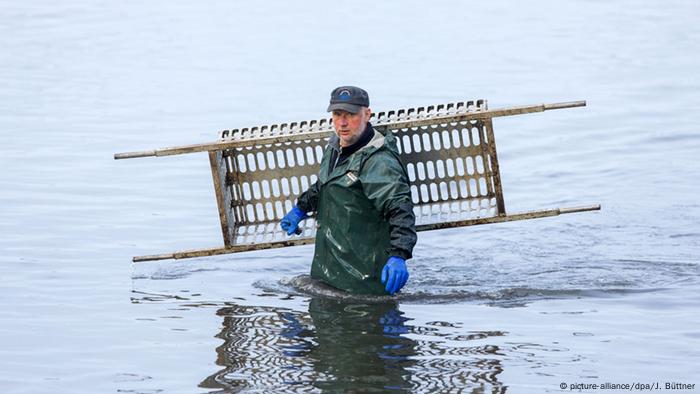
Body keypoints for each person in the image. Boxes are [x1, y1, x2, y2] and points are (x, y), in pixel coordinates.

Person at [280, 86, 417, 296]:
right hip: (329, 274)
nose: (342, 123)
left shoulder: (379, 163)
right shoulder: (335, 146)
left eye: (351, 115)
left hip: (364, 283)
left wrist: (399, 255)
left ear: (367, 114)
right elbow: (326, 184)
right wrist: (300, 208)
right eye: (337, 115)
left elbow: (400, 210)